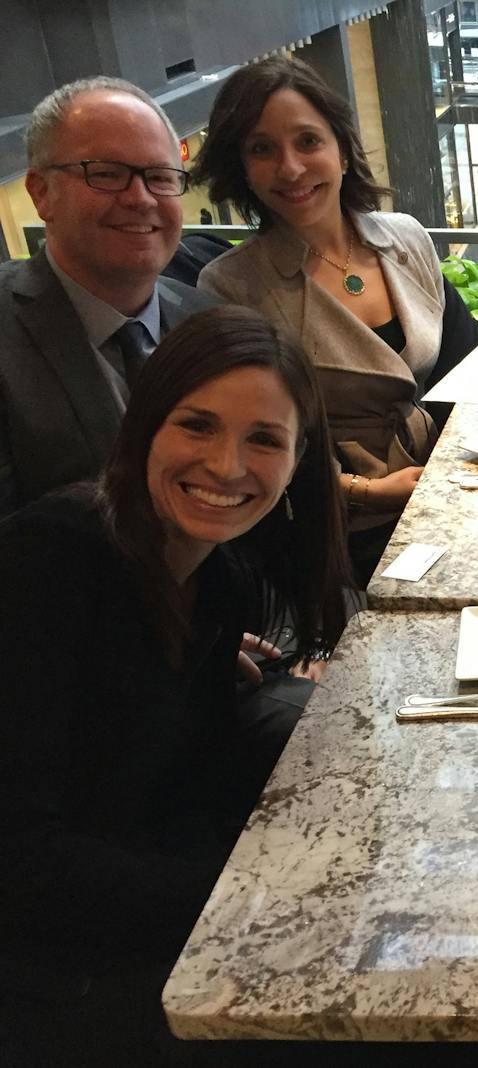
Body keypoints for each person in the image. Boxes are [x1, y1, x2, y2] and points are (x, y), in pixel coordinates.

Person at [0, 305, 350, 1064]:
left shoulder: (217, 576)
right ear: (144, 427)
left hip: (155, 901)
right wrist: (252, 899)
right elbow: (21, 855)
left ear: (296, 462)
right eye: (197, 425)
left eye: (264, 439)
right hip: (57, 966)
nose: (226, 466)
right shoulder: (51, 560)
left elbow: (189, 778)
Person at [192, 56, 478, 586]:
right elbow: (252, 442)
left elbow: (467, 364)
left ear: (342, 150)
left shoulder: (406, 238)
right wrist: (366, 491)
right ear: (243, 170)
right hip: (342, 528)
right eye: (262, 149)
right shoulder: (231, 286)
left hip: (442, 490)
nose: (291, 168)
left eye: (307, 141)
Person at [0, 76, 216, 518]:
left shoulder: (208, 321)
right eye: (107, 174)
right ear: (41, 193)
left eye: (159, 177)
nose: (140, 199)